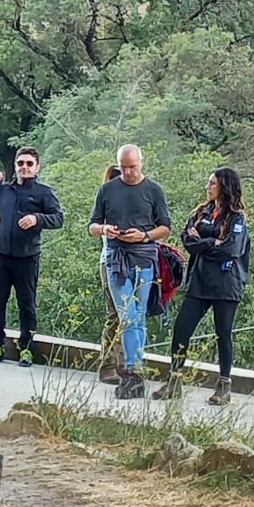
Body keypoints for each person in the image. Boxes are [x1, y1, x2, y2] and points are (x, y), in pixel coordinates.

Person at [158, 167, 250, 404]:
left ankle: (224, 385)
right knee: (181, 330)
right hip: (199, 281)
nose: (207, 187)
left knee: (223, 334)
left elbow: (232, 249)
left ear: (224, 186)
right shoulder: (201, 212)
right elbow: (187, 241)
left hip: (226, 283)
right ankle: (174, 380)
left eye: (212, 183)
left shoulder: (237, 217)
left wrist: (203, 242)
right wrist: (212, 242)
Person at [88, 144, 172, 399]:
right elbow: (92, 225)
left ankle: (134, 372)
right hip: (116, 259)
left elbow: (165, 227)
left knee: (138, 316)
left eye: (132, 167)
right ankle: (132, 372)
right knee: (126, 315)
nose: (128, 172)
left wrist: (144, 235)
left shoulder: (153, 190)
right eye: (123, 168)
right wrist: (105, 230)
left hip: (144, 258)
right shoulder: (107, 190)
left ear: (141, 163)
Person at [0, 145, 64, 367]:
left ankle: (26, 347)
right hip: (1, 256)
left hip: (28, 257)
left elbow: (59, 218)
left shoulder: (44, 192)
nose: (24, 167)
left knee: (27, 303)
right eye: (20, 163)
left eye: (29, 164)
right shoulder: (4, 190)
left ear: (37, 167)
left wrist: (37, 219)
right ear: (15, 166)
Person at [97, 163, 125, 384]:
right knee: (114, 315)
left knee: (130, 316)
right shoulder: (106, 205)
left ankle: (124, 364)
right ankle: (108, 365)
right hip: (111, 262)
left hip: (134, 262)